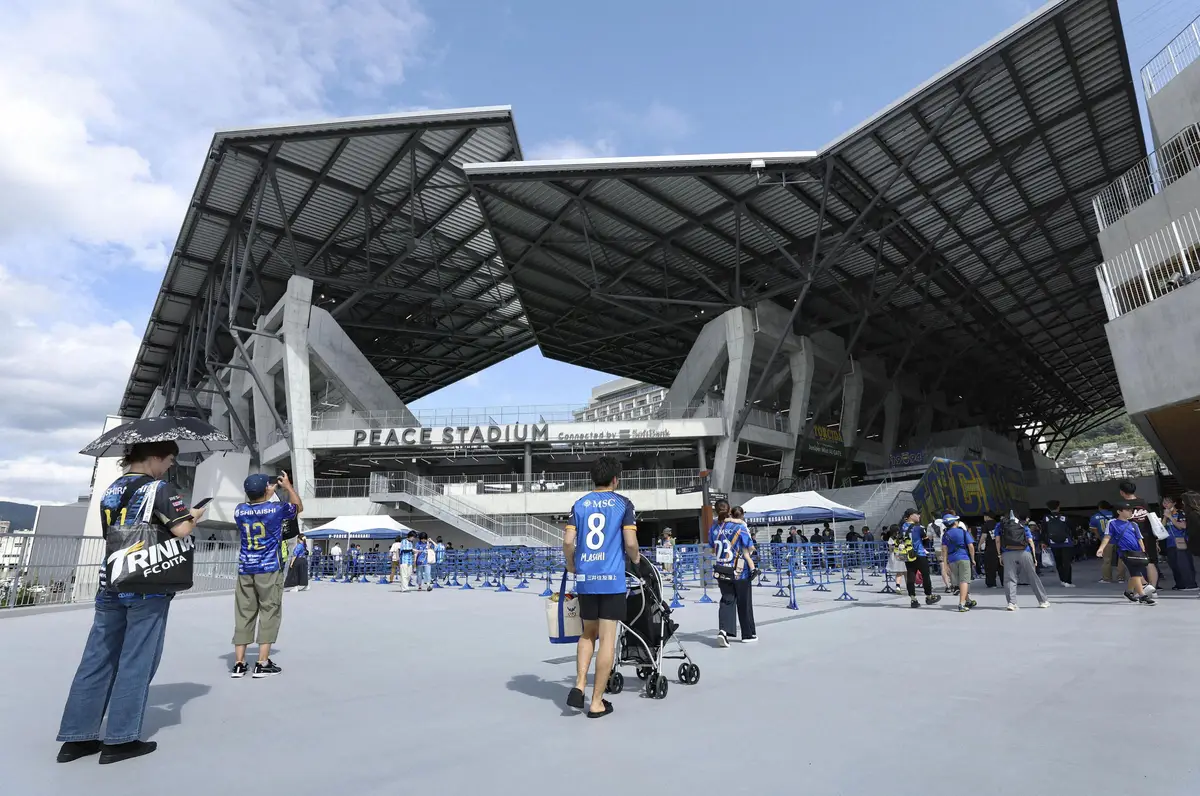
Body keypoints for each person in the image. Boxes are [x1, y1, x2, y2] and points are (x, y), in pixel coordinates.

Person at [56, 441, 206, 765]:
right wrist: (194, 515)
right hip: (146, 587)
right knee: (137, 661)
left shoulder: (111, 489)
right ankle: (121, 740)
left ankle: (76, 738)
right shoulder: (159, 488)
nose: (169, 466)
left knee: (97, 659)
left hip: (110, 582)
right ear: (153, 457)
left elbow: (111, 532)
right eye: (168, 459)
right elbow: (181, 530)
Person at [563, 456, 640, 719]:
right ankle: (596, 702)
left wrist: (571, 564)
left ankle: (579, 684)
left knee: (587, 634)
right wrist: (637, 560)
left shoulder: (580, 504)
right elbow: (630, 543)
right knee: (607, 639)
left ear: (593, 478)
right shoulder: (623, 504)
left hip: (586, 579)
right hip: (611, 579)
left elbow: (568, 541)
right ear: (615, 479)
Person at [231, 471, 302, 679]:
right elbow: (298, 508)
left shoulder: (239, 510)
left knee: (244, 613)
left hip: (246, 568)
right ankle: (262, 663)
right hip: (269, 567)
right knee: (269, 611)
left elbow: (255, 506)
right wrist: (287, 487)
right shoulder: (277, 508)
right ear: (266, 490)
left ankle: (239, 664)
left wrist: (265, 493)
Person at [711, 505, 757, 646]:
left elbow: (713, 547)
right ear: (729, 511)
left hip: (722, 569)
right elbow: (750, 547)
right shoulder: (740, 527)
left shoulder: (714, 529)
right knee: (744, 602)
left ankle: (724, 631)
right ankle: (747, 634)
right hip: (739, 571)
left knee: (727, 600)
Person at [1096, 501, 1155, 605]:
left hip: (1137, 552)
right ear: (1119, 511)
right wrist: (1101, 548)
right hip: (1125, 552)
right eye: (1127, 510)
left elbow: (1139, 538)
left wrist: (1143, 550)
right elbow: (1107, 536)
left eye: (1131, 510)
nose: (1130, 512)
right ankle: (1142, 596)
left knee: (1135, 574)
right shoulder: (1112, 523)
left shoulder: (1133, 524)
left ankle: (1128, 592)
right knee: (1136, 573)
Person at [995, 512, 1049, 611]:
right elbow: (1030, 541)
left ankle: (1012, 603)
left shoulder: (1000, 525)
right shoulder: (1022, 524)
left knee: (1010, 578)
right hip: (1024, 552)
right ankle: (1043, 601)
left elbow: (997, 540)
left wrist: (999, 555)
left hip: (1007, 553)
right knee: (1033, 576)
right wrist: (1034, 557)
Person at [1119, 480, 1159, 588]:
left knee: (1134, 564)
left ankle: (1143, 586)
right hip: (1148, 535)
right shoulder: (1143, 502)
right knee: (1150, 562)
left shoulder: (1121, 506)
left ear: (1122, 492)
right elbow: (1151, 519)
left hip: (1132, 538)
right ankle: (1153, 588)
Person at [901, 509, 940, 608]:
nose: (919, 516)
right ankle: (929, 596)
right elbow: (926, 542)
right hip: (920, 554)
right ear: (910, 516)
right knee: (925, 575)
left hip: (908, 555)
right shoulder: (919, 527)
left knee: (910, 575)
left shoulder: (902, 527)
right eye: (917, 514)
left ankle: (913, 599)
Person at [939, 514, 977, 612]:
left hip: (952, 560)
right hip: (963, 558)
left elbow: (944, 550)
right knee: (964, 581)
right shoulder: (963, 532)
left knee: (959, 581)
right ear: (955, 522)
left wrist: (945, 564)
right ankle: (962, 604)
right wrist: (972, 559)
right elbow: (971, 546)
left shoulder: (945, 535)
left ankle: (968, 600)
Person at [1162, 496, 1196, 590]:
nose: (1165, 505)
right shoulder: (1165, 515)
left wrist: (1171, 517)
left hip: (1181, 541)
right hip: (1170, 542)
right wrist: (1165, 517)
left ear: (1173, 503)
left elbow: (1182, 526)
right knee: (1174, 564)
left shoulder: (1180, 513)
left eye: (1168, 502)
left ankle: (1190, 583)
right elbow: (1162, 527)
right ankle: (1179, 584)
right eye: (1164, 503)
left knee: (1184, 563)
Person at [1043, 500, 1075, 587]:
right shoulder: (1064, 517)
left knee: (1058, 562)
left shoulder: (1046, 518)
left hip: (1053, 543)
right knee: (1067, 562)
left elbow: (1044, 531)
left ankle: (1062, 580)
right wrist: (1074, 538)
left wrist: (1044, 542)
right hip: (1066, 542)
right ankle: (1068, 581)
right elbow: (1072, 528)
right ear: (1058, 507)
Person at [1090, 501, 1123, 583]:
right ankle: (1121, 578)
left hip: (1106, 540)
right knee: (1121, 559)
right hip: (1118, 539)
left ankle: (1107, 578)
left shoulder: (1095, 516)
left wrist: (1099, 537)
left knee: (1107, 560)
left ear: (1099, 507)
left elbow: (1093, 529)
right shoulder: (1114, 515)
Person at [980, 515, 1003, 588]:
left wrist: (979, 545)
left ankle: (991, 583)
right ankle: (1004, 582)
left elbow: (984, 536)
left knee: (990, 566)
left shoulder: (986, 525)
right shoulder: (999, 524)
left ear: (987, 516)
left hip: (990, 548)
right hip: (1000, 547)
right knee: (1001, 566)